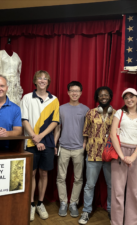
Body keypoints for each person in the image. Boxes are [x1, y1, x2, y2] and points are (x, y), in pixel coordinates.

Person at [20, 70, 59, 221]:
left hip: (47, 143)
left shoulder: (54, 99)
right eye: (39, 78)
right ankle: (30, 204)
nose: (42, 80)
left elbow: (55, 122)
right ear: (35, 81)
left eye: (45, 78)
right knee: (32, 173)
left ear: (48, 82)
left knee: (44, 173)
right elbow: (24, 120)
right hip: (30, 141)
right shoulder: (27, 98)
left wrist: (41, 137)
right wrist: (35, 139)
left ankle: (40, 203)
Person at [110, 88, 137, 225]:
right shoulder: (119, 113)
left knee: (134, 190)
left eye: (131, 97)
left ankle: (131, 222)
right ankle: (116, 222)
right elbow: (113, 135)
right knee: (118, 191)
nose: (129, 100)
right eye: (126, 97)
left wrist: (133, 156)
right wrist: (122, 156)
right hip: (119, 152)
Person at [78, 86, 115, 225]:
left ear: (110, 97)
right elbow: (85, 133)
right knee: (90, 185)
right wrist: (84, 149)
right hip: (93, 154)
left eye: (106, 95)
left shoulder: (117, 114)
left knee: (111, 185)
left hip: (110, 155)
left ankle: (112, 210)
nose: (103, 97)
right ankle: (86, 211)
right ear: (97, 98)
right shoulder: (90, 113)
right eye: (101, 95)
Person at [54, 81, 89, 217]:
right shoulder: (61, 108)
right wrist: (55, 145)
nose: (74, 93)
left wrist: (85, 143)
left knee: (78, 178)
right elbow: (57, 128)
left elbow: (87, 130)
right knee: (60, 177)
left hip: (79, 148)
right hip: (63, 147)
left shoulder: (86, 109)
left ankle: (73, 202)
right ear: (68, 92)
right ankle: (63, 202)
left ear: (80, 93)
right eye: (72, 90)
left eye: (77, 91)